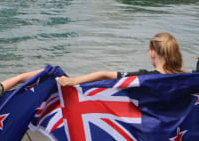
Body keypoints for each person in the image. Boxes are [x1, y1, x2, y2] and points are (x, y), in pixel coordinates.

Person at [58, 32, 186, 86]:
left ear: (153, 53)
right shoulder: (188, 78)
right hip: (180, 139)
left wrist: (73, 81)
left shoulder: (144, 78)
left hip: (150, 134)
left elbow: (104, 75)